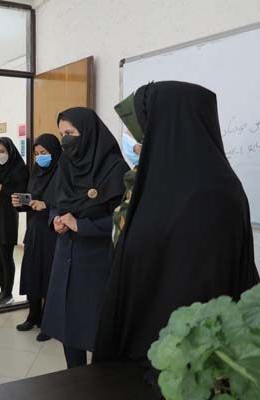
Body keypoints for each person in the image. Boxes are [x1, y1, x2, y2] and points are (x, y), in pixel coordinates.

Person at [94, 81, 260, 366]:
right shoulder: (168, 183)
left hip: (183, 355)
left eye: (142, 131)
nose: (134, 140)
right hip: (160, 346)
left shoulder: (202, 195)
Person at [41, 107, 130, 368]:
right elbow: (55, 203)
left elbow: (123, 220)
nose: (65, 140)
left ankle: (101, 384)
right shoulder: (65, 164)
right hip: (65, 258)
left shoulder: (114, 168)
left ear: (88, 133)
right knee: (69, 329)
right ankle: (75, 379)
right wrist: (55, 220)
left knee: (97, 329)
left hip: (97, 262)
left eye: (70, 133)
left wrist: (81, 225)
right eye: (62, 134)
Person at [11, 133, 62, 341]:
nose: (40, 157)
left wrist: (46, 206)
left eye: (44, 152)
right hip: (34, 231)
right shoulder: (36, 173)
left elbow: (68, 202)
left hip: (53, 233)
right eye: (37, 153)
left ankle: (49, 323)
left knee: (49, 277)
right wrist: (21, 204)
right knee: (32, 273)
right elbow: (32, 200)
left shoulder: (63, 173)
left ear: (55, 152)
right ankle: (33, 316)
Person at [0, 137, 29, 305]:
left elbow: (21, 193)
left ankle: (8, 293)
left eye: (2, 151)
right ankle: (2, 290)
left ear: (10, 150)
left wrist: (0, 187)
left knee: (5, 256)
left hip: (7, 218)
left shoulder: (19, 168)